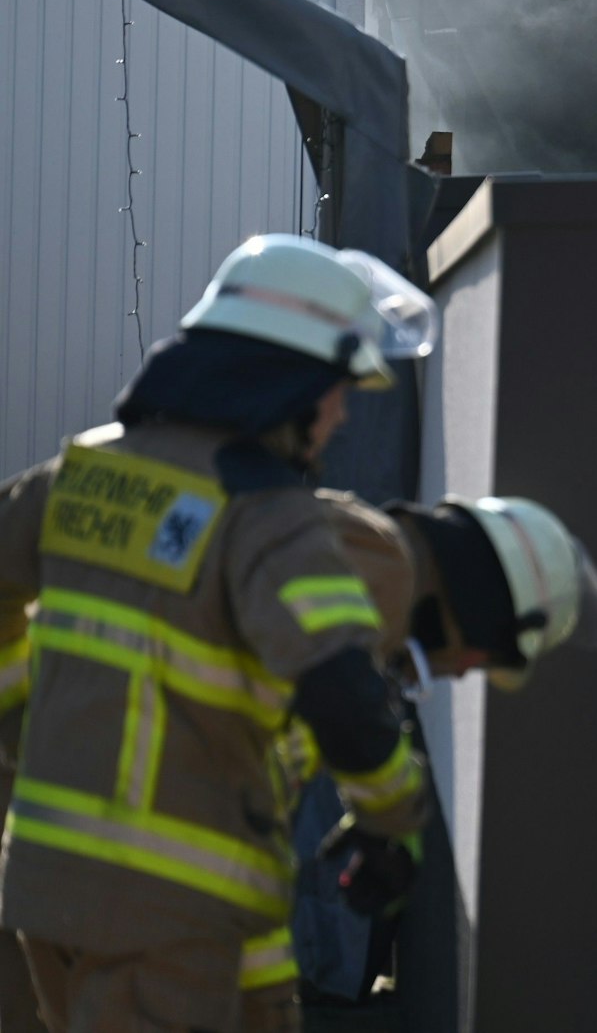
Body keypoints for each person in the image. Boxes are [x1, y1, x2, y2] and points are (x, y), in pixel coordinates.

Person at [0, 235, 435, 1033]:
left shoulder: (83, 473)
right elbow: (342, 693)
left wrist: (19, 721)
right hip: (165, 915)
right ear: (290, 384)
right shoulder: (272, 520)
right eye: (336, 390)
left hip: (41, 891)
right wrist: (391, 820)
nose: (339, 417)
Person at [266, 490, 597, 1022]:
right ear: (480, 609)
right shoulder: (358, 578)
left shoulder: (360, 581)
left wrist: (388, 822)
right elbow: (345, 712)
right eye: (483, 657)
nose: (459, 671)